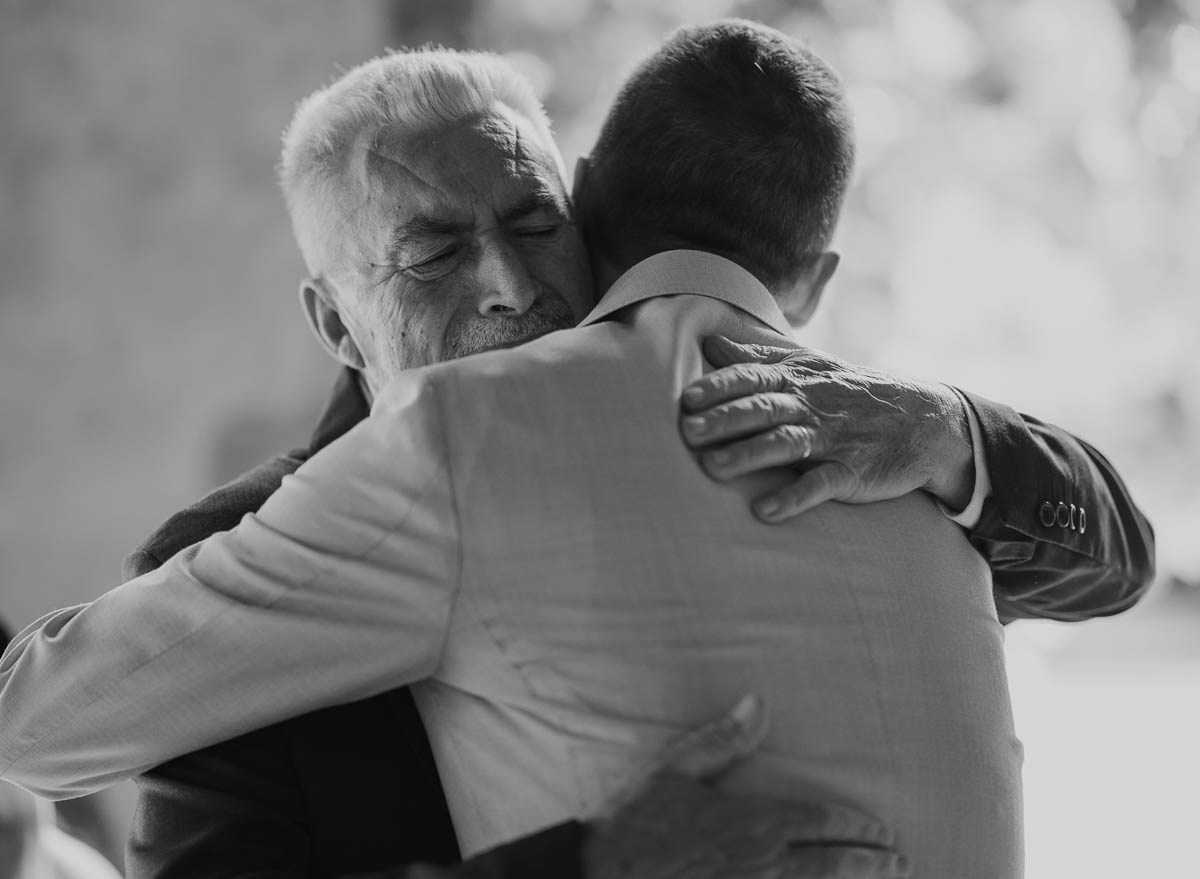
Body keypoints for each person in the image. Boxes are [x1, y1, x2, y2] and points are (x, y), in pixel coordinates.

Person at [1, 23, 1152, 878]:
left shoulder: (828, 430)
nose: (509, 284)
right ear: (334, 323)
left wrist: (956, 436)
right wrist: (589, 865)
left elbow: (1113, 559)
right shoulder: (221, 554)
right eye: (434, 252)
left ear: (590, 211)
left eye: (533, 222)